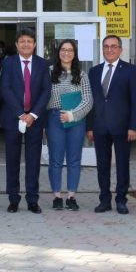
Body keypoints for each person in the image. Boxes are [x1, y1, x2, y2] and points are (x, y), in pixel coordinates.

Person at [86, 35, 136, 214]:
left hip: (123, 127)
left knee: (122, 165)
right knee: (102, 165)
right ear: (102, 49)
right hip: (100, 127)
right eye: (106, 46)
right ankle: (104, 200)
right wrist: (89, 127)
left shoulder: (131, 70)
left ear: (120, 49)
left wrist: (134, 126)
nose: (109, 49)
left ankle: (121, 200)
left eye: (113, 46)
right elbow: (90, 101)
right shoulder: (94, 71)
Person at [0, 28, 51, 214]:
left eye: (29, 41)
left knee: (33, 161)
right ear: (16, 44)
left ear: (34, 44)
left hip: (35, 119)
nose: (26, 44)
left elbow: (46, 91)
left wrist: (33, 114)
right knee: (12, 160)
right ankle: (13, 199)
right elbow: (5, 89)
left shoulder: (42, 64)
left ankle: (32, 200)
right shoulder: (8, 63)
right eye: (22, 41)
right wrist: (20, 114)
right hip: (13, 118)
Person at [46, 40, 92, 211]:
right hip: (55, 119)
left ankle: (71, 196)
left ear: (75, 53)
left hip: (76, 120)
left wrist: (72, 115)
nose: (66, 53)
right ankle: (57, 196)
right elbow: (43, 96)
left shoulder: (82, 74)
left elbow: (88, 100)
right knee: (55, 159)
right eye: (63, 50)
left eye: (70, 50)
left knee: (74, 159)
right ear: (58, 52)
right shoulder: (49, 72)